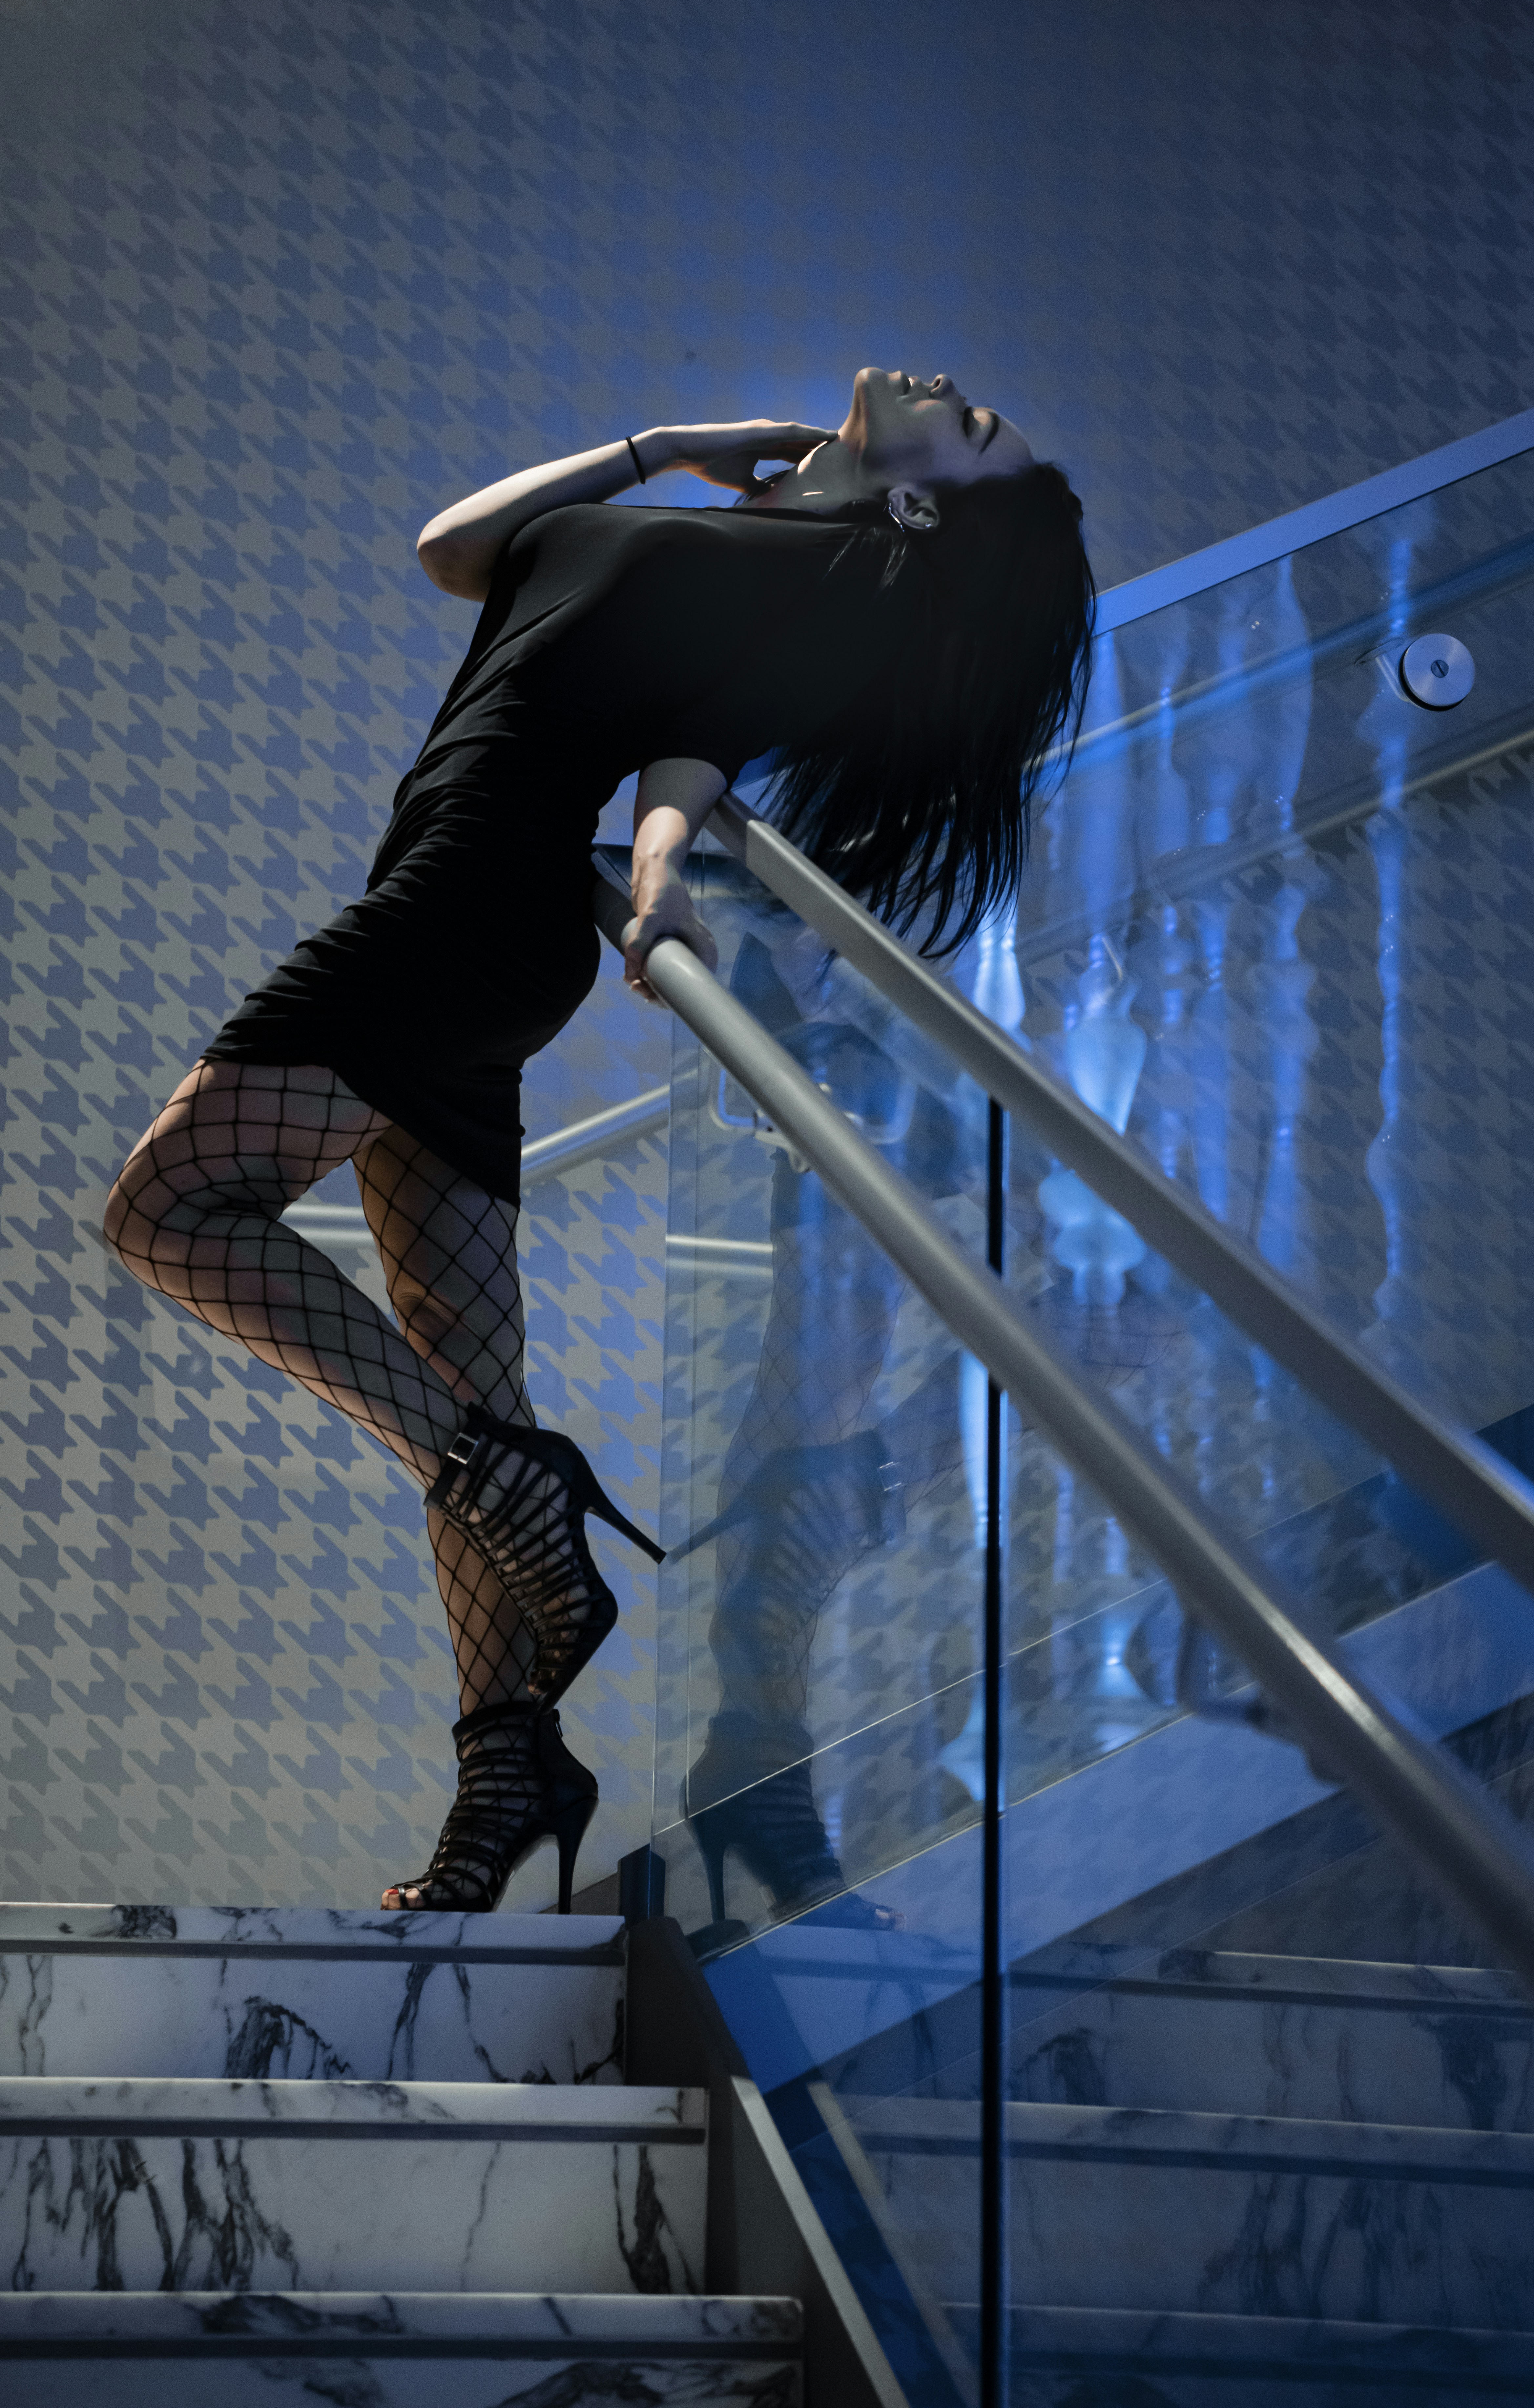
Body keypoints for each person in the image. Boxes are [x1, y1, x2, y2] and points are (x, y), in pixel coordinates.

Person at [101, 367, 1097, 1914]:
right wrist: (667, 446)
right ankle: (513, 1768)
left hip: (467, 919)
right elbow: (455, 549)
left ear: (923, 504)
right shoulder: (752, 524)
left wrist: (662, 876)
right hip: (445, 909)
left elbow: (682, 764)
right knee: (466, 1362)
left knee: (166, 1211)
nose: (956, 391)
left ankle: (507, 1480)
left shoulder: (831, 585)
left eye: (975, 427)